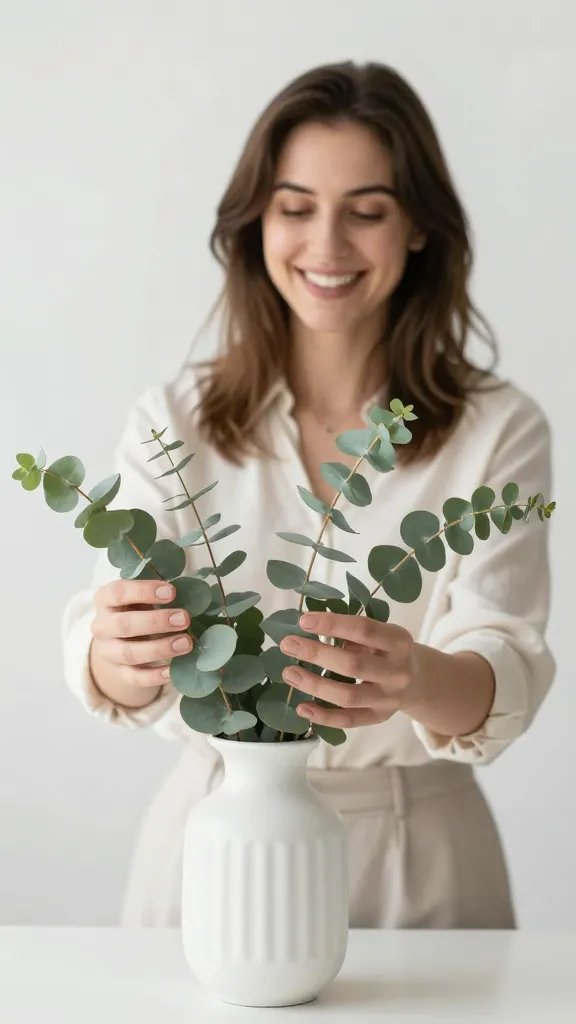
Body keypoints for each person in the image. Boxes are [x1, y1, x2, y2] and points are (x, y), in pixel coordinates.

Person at [61, 61, 555, 929]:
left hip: (420, 854)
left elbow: (502, 669)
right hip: (216, 838)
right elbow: (118, 664)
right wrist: (117, 654)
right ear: (255, 225)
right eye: (294, 208)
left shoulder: (498, 428)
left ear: (418, 231)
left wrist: (413, 674)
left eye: (366, 211)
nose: (326, 245)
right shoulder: (173, 421)